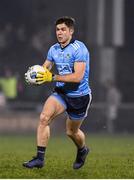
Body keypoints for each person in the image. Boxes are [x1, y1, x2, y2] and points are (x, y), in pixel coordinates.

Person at [23, 16, 92, 169]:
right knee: (44, 118)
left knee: (71, 132)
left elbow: (77, 77)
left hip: (79, 97)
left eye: (63, 30)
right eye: (57, 30)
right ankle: (39, 159)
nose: (59, 33)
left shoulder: (79, 49)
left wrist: (52, 77)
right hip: (61, 93)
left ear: (71, 31)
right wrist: (37, 76)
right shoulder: (53, 49)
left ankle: (82, 150)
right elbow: (45, 68)